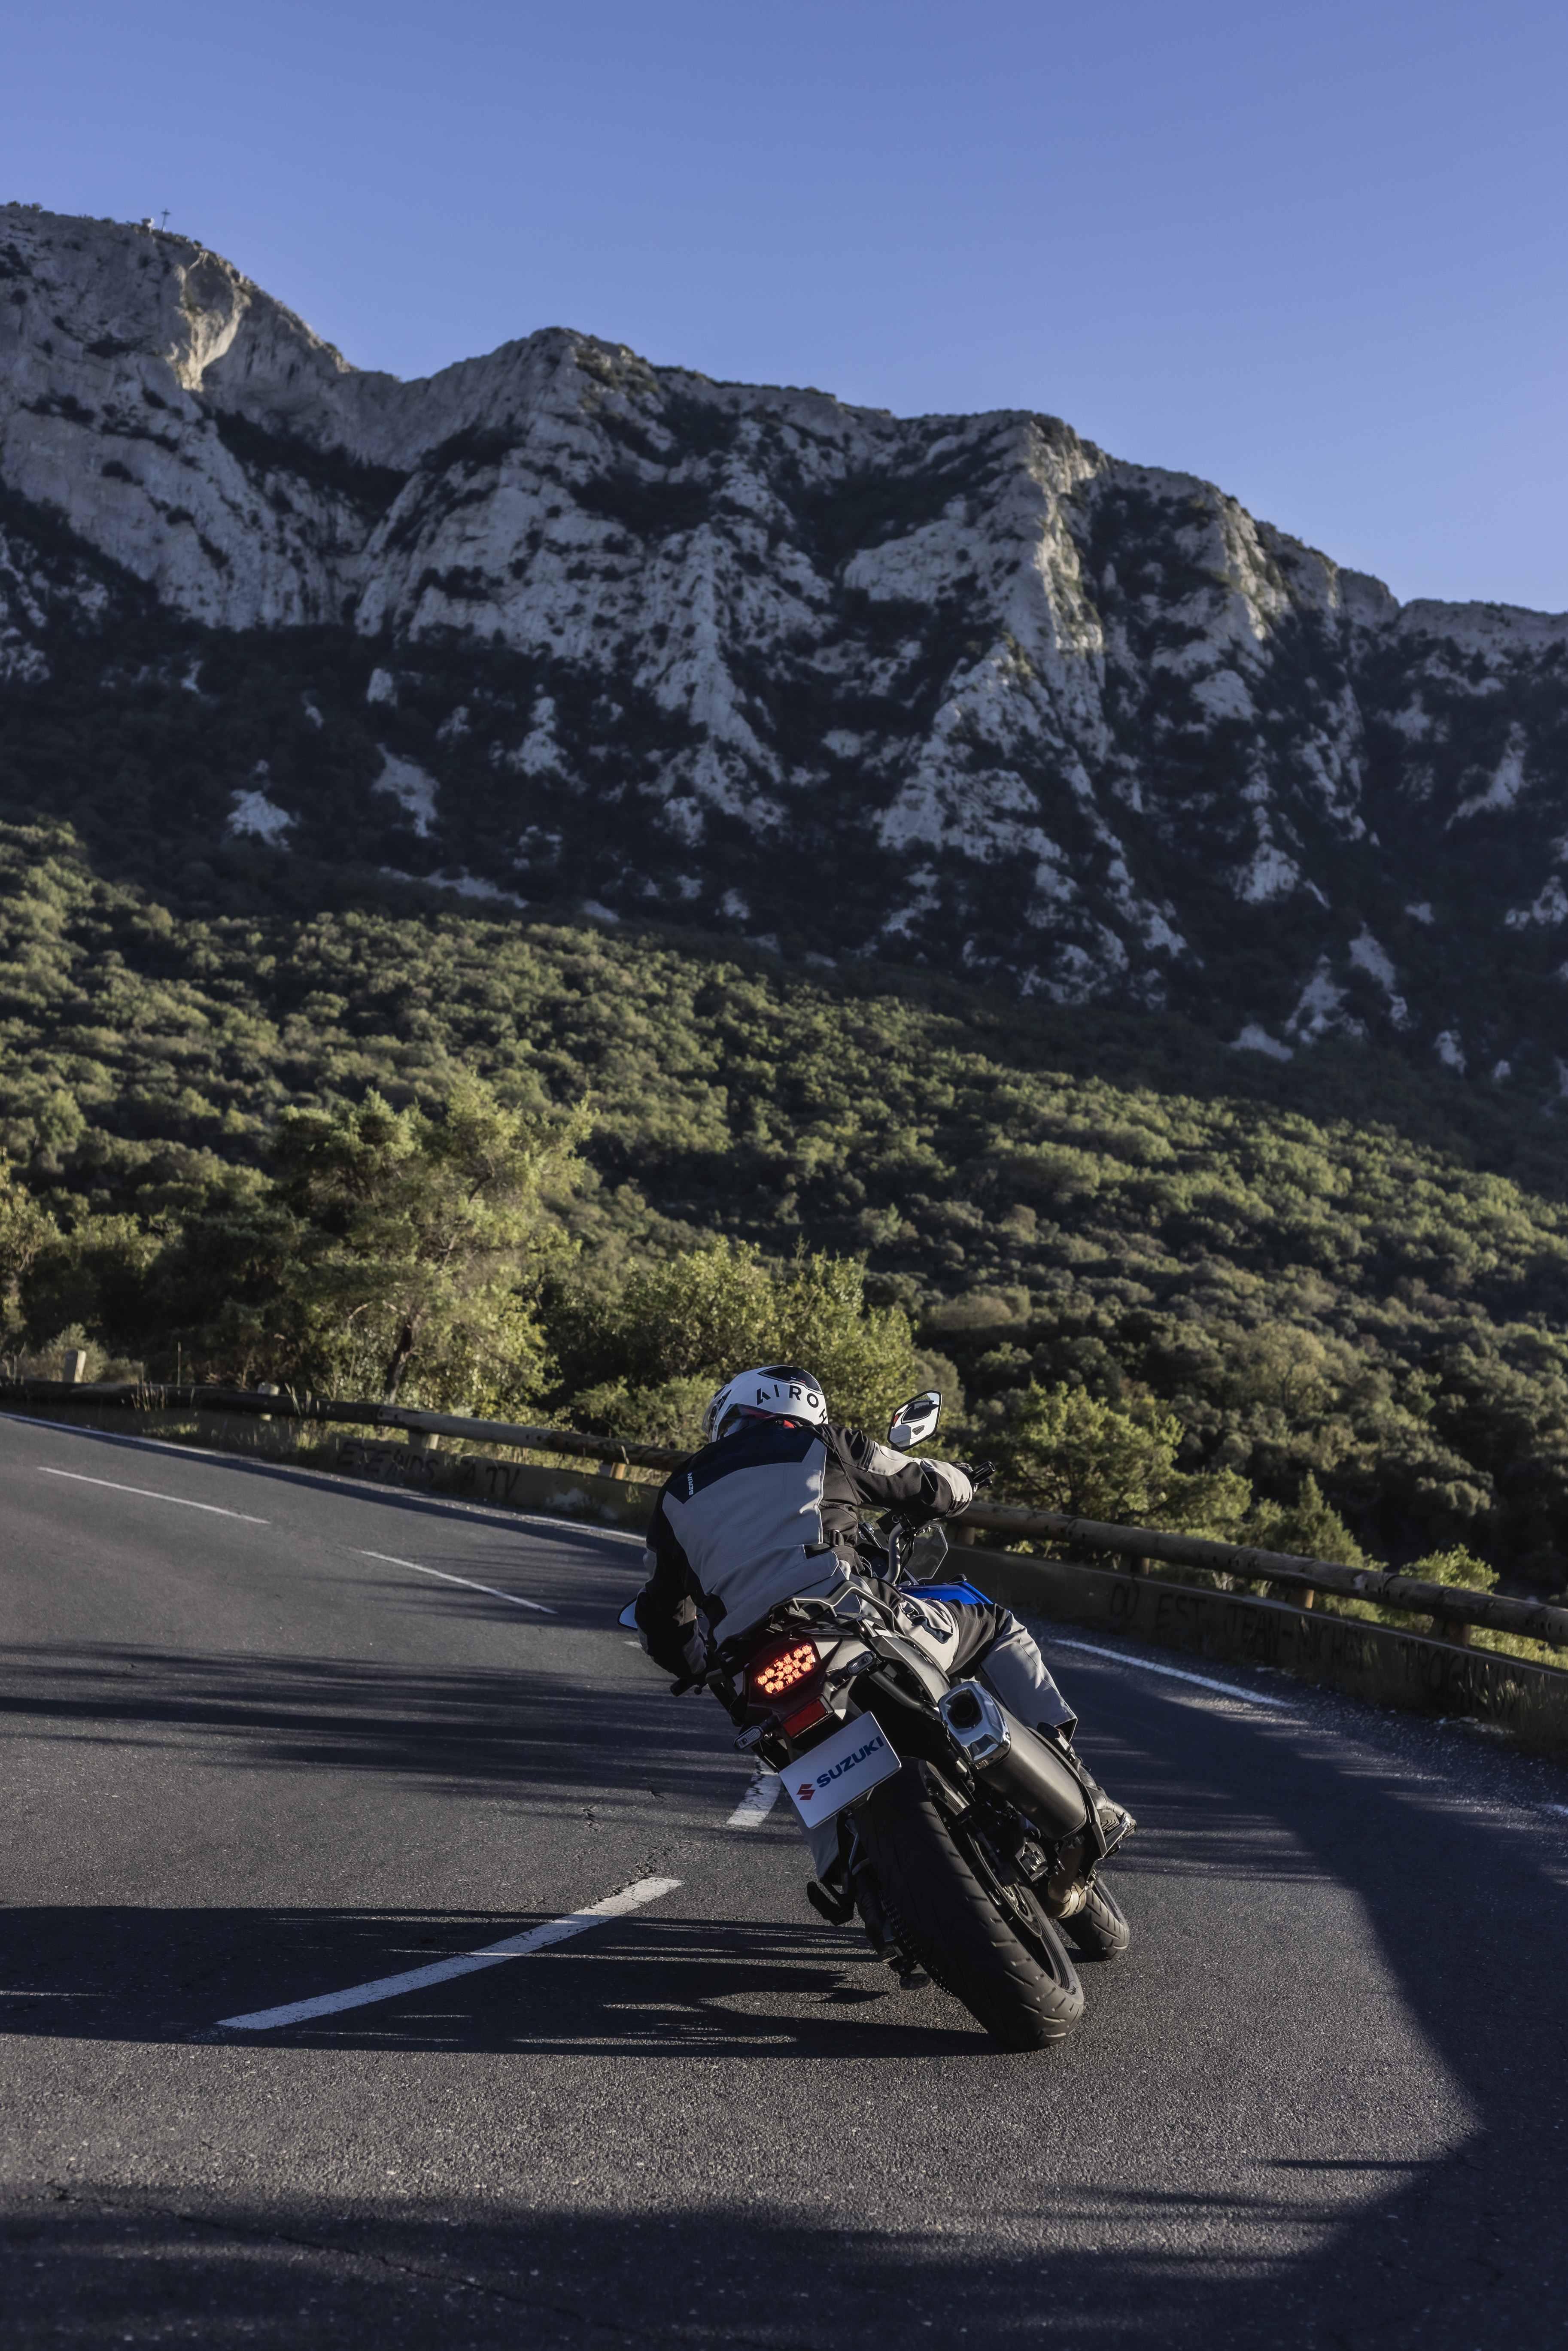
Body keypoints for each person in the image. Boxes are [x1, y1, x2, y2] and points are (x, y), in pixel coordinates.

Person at [632, 1362, 1124, 1892]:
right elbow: (926, 1485)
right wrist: (962, 1479)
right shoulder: (825, 1444)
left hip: (756, 1666)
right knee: (995, 1625)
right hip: (845, 1617)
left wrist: (698, 1664)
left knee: (788, 1748)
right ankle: (1076, 1775)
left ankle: (841, 1869)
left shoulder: (675, 1493)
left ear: (731, 1415)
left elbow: (661, 1621)